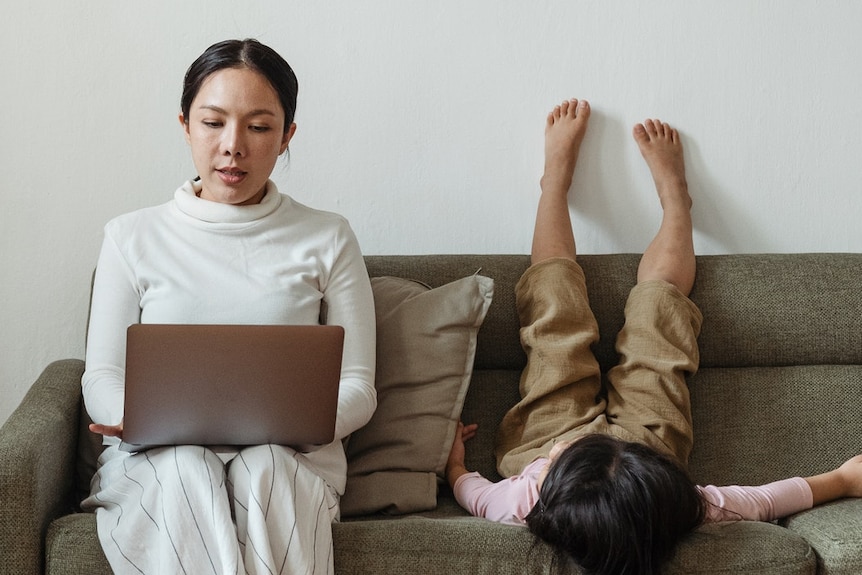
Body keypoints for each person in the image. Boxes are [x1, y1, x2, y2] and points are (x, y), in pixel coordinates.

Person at [445, 98, 862, 575]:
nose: (580, 441)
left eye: (570, 455)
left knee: (552, 317)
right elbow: (762, 500)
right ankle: (676, 200)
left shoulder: (524, 501)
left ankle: (553, 183)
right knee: (660, 320)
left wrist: (454, 465)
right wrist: (842, 480)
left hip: (540, 442)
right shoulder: (675, 506)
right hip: (648, 442)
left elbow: (473, 495)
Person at [81, 39, 376, 575]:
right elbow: (101, 377)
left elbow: (357, 385)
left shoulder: (328, 237)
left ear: (287, 135)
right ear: (185, 125)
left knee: (265, 469)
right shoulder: (131, 236)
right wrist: (134, 416)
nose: (232, 146)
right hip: (159, 464)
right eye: (213, 123)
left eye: (259, 128)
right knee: (188, 468)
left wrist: (297, 424)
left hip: (289, 461)